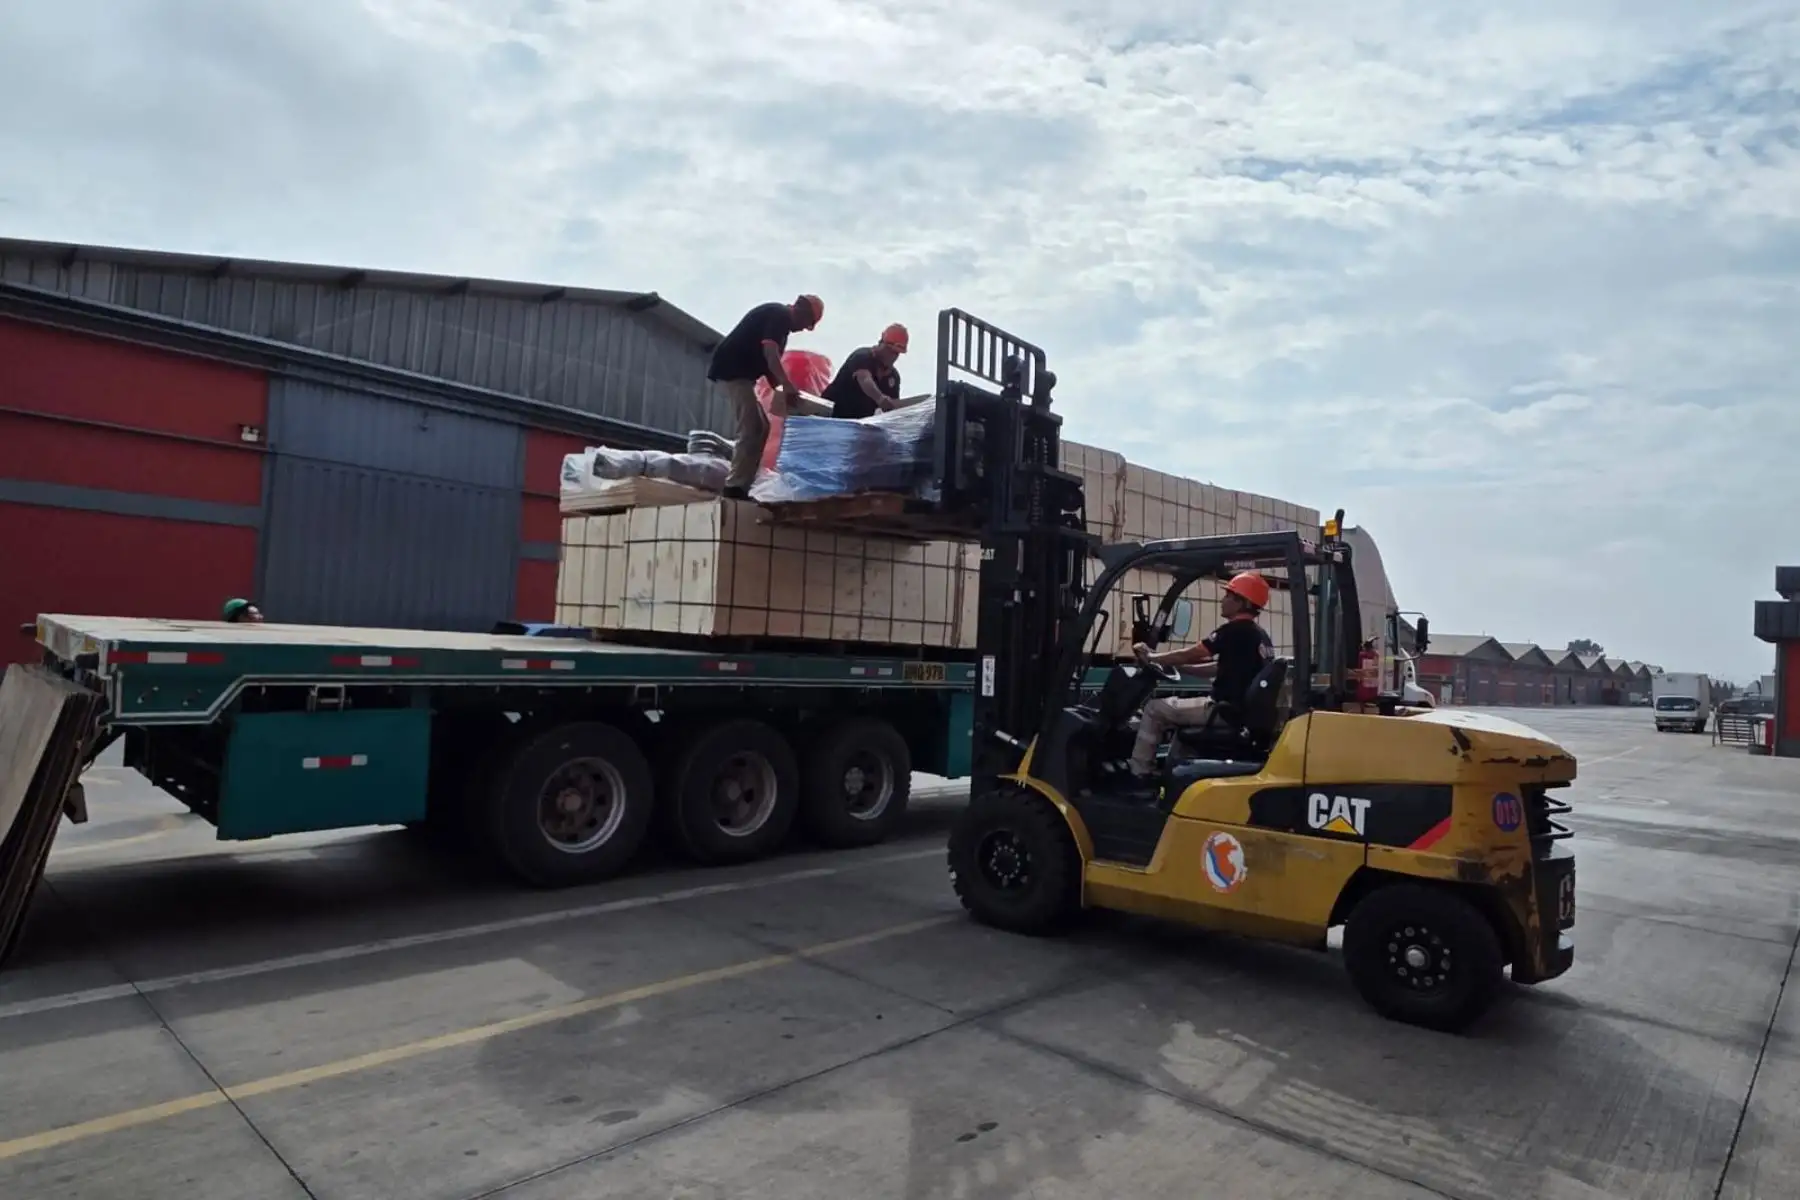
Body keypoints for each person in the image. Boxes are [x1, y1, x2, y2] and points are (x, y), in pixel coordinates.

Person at [1126, 571, 1274, 778]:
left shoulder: (1234, 631)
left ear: (1241, 602)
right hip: (1238, 712)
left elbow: (1194, 653)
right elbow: (1216, 668)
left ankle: (1139, 772)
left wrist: (1153, 657)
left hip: (1223, 710)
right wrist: (1180, 668)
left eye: (1228, 596)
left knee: (1153, 709)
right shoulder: (1259, 635)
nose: (1222, 601)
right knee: (1177, 715)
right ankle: (1173, 772)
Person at [707, 294, 824, 499]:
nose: (804, 329)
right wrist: (787, 386)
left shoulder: (782, 326)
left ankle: (743, 485)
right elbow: (770, 356)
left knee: (763, 428)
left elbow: (770, 369)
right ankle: (734, 486)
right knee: (751, 427)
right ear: (801, 311)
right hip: (732, 372)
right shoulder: (779, 315)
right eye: (807, 324)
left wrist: (785, 394)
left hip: (742, 376)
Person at [821, 323, 907, 419]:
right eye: (892, 351)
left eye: (897, 354)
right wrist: (880, 399)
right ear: (882, 344)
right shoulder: (862, 356)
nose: (894, 357)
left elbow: (893, 406)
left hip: (856, 425)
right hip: (831, 417)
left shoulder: (893, 377)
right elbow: (865, 379)